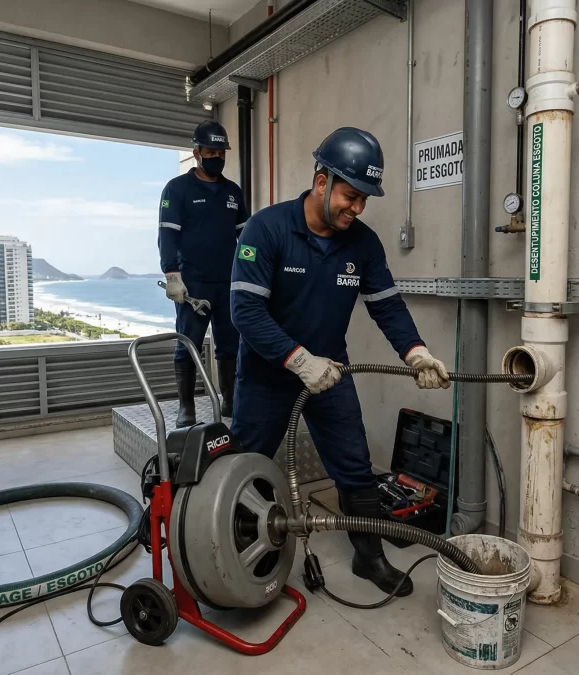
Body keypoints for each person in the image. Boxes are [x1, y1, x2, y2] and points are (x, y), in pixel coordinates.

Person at [230, 127, 450, 597]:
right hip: (269, 372)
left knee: (354, 465)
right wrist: (296, 358)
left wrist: (416, 352)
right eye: (351, 195)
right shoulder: (266, 229)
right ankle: (238, 551)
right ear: (321, 180)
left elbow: (386, 305)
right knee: (245, 462)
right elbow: (244, 311)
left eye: (365, 199)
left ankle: (369, 558)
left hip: (330, 372)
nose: (358, 208)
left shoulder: (363, 244)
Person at [159, 120, 249, 426]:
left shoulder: (233, 192)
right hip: (193, 283)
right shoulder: (177, 189)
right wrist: (172, 275)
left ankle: (230, 400)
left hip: (228, 282)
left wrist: (252, 273)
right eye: (211, 151)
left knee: (230, 343)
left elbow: (245, 239)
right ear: (197, 153)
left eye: (221, 152)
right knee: (189, 342)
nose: (217, 157)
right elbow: (167, 235)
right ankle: (187, 407)